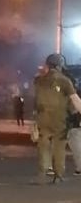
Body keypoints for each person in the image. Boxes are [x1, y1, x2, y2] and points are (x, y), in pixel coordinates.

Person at [32, 53, 81, 184]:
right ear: (60, 65)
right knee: (59, 146)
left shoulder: (38, 80)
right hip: (60, 119)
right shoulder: (65, 80)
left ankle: (42, 173)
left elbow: (35, 100)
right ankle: (58, 174)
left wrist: (34, 119)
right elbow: (75, 100)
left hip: (42, 118)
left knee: (43, 145)